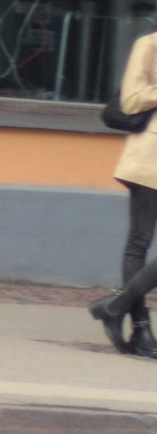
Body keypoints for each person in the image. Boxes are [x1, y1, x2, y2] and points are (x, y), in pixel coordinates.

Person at [88, 29, 157, 357]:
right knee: (138, 245)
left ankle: (116, 306)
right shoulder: (149, 45)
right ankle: (141, 331)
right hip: (152, 158)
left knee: (137, 246)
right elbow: (130, 99)